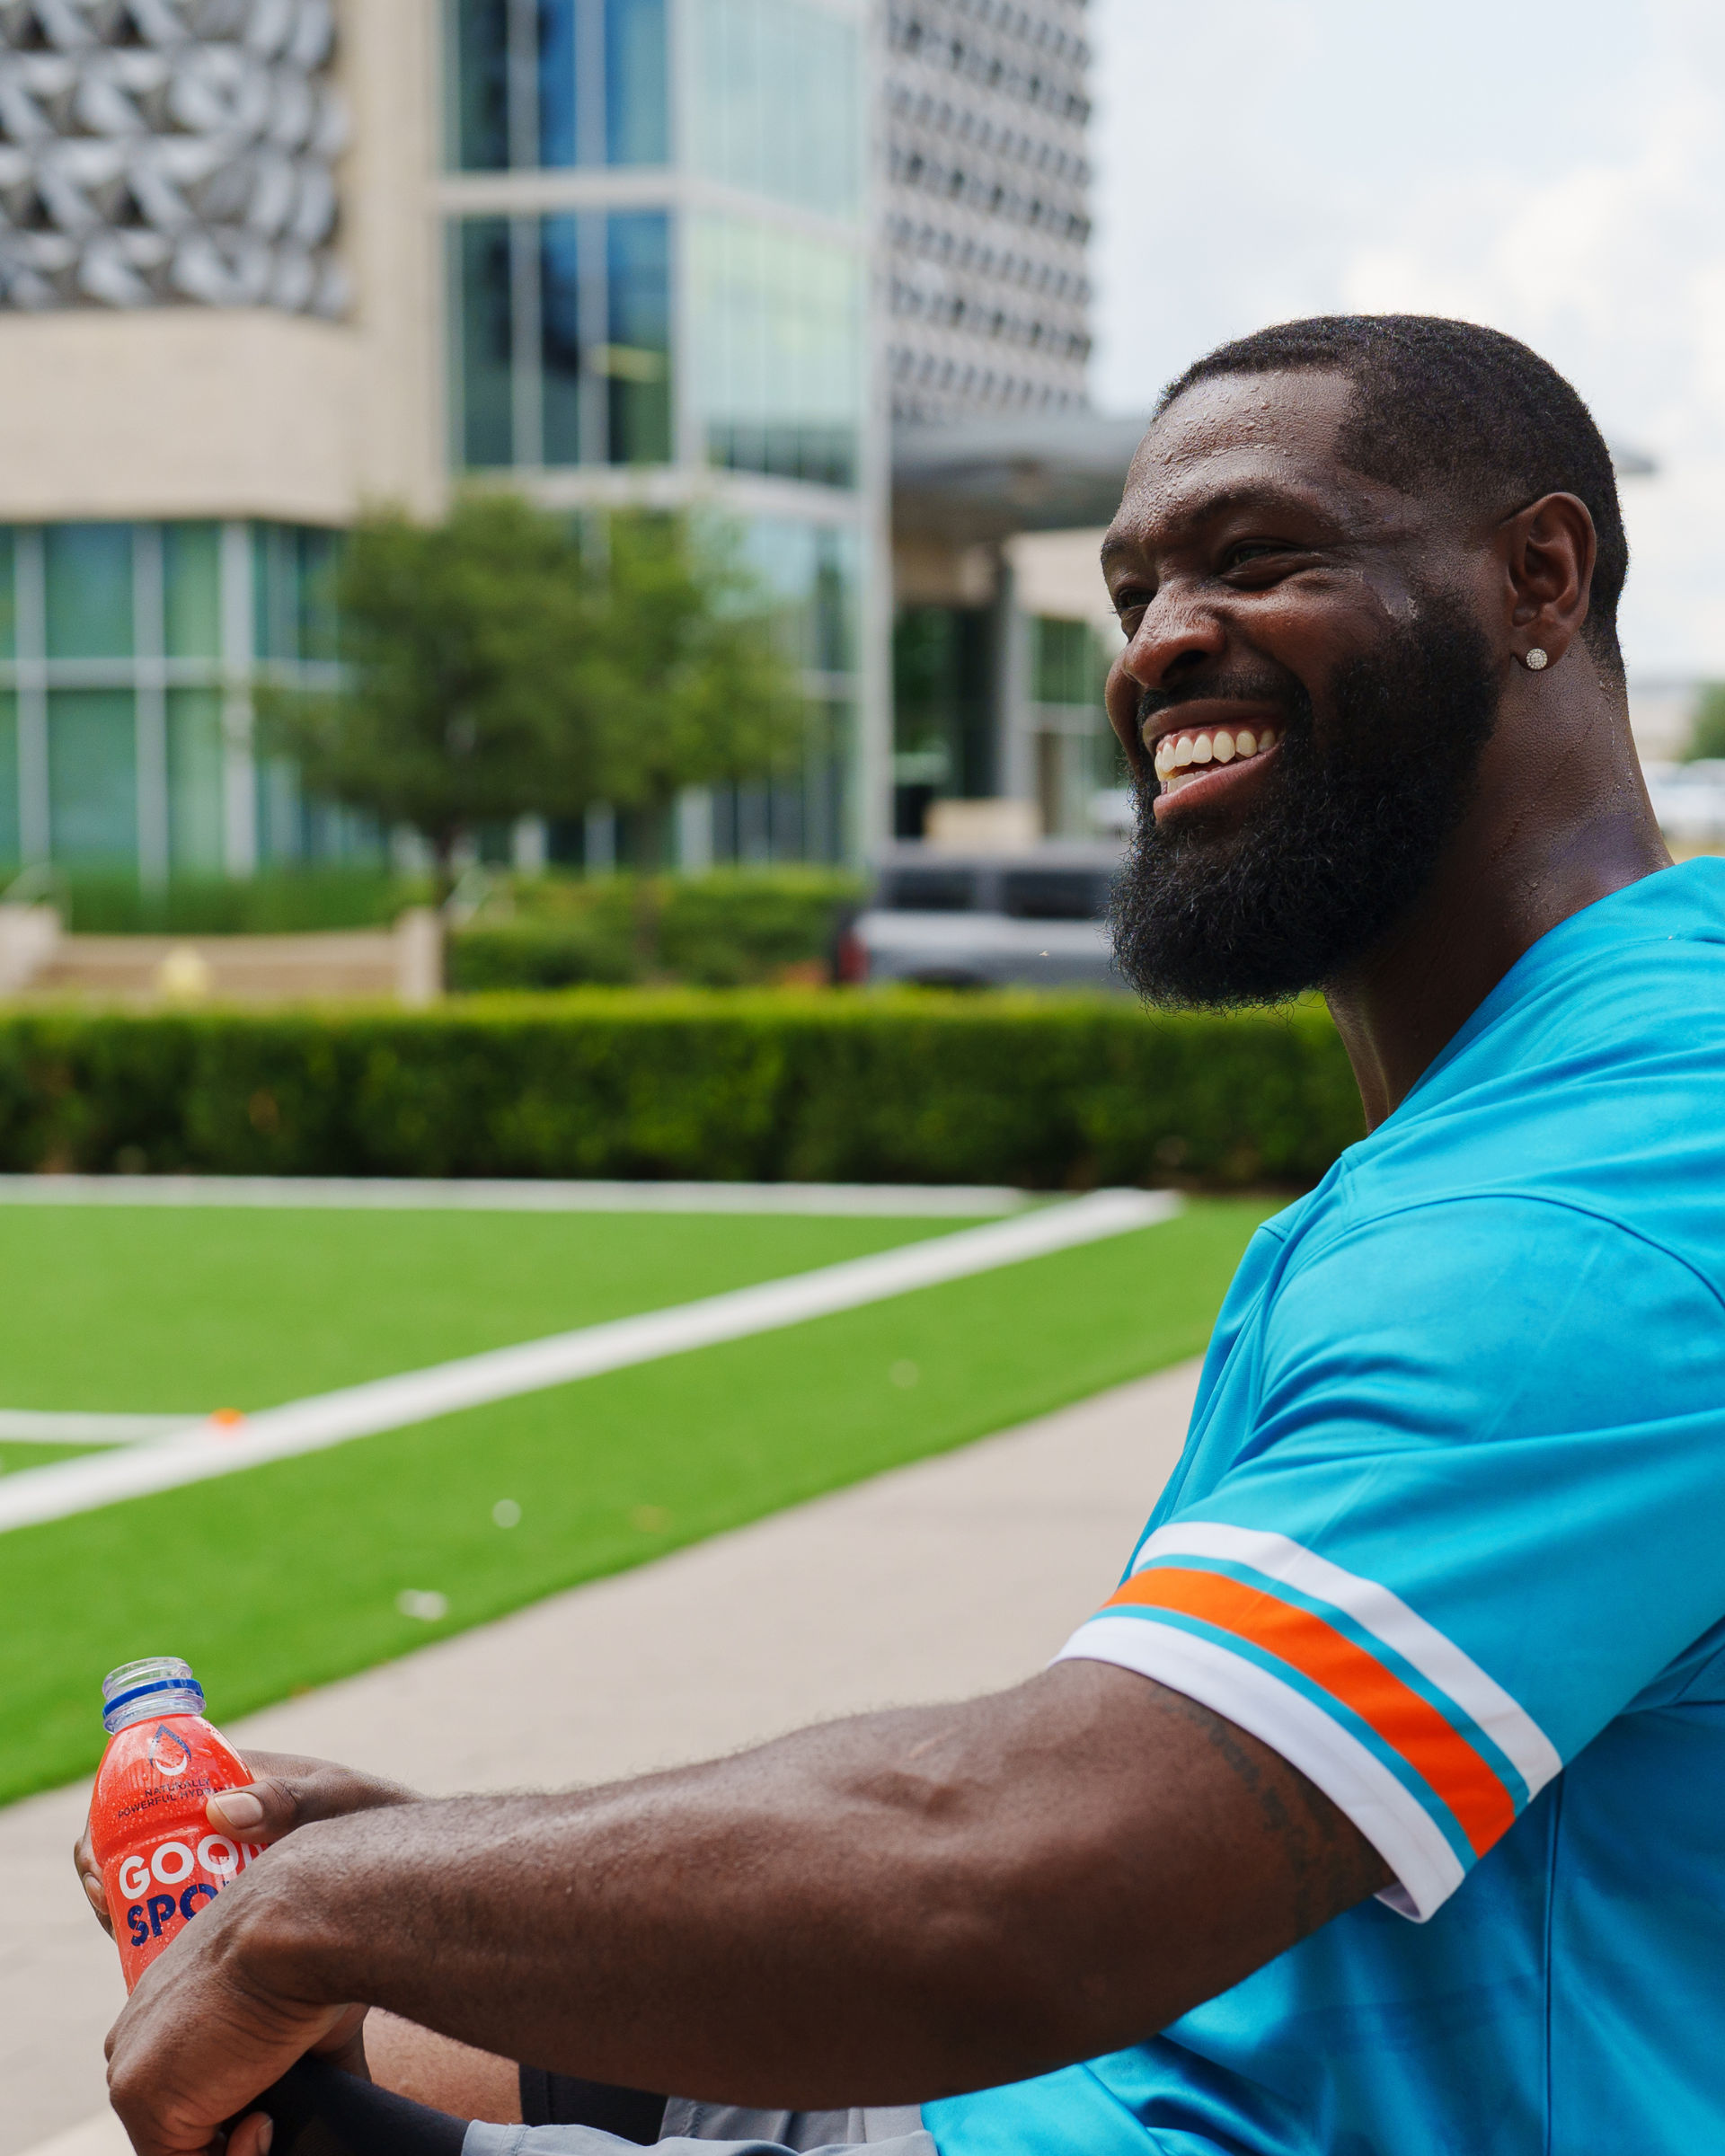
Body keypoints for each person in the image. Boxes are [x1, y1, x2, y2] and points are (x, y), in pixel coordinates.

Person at [83, 315, 1725, 2156]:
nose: (1164, 642)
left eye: (1260, 557)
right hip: (1125, 2077)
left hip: (1169, 2101)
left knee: (240, 2074)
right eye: (1133, 592)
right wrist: (449, 1875)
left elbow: (1012, 1880)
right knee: (316, 2025)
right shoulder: (1546, 1099)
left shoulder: (1610, 1197)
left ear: (1542, 574)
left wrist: (333, 1907)